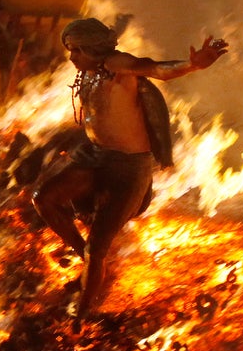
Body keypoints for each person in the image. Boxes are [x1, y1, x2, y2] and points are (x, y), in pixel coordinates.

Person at [31, 17, 228, 325]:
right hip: (96, 157)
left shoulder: (115, 64)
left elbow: (154, 68)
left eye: (77, 51)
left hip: (128, 167)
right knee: (44, 199)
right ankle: (85, 260)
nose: (72, 58)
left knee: (98, 248)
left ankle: (82, 315)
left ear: (93, 50)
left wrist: (192, 66)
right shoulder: (89, 73)